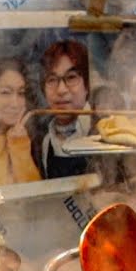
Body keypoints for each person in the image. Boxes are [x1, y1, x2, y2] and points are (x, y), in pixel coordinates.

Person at [33, 39, 93, 180]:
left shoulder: (103, 131)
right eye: (52, 80)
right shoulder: (44, 142)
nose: (61, 90)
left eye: (71, 77)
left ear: (87, 86)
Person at [0, 58, 42, 185]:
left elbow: (35, 194)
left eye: (21, 93)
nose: (15, 103)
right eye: (5, 93)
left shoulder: (29, 138)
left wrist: (19, 145)